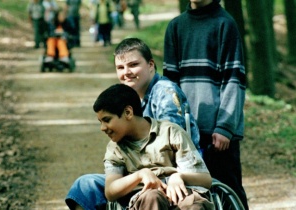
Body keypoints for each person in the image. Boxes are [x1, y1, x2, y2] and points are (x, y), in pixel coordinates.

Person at [65, 38, 201, 210]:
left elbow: (171, 148)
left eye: (133, 65)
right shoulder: (131, 95)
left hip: (170, 172)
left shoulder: (164, 93)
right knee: (85, 186)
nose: (126, 72)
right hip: (139, 172)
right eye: (120, 68)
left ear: (151, 65)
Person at [162, 0, 249, 209]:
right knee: (192, 196)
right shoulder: (176, 26)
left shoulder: (225, 24)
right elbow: (170, 85)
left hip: (218, 132)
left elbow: (234, 79)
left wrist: (225, 126)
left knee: (229, 191)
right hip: (185, 131)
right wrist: (171, 128)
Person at [94, 83, 214, 209]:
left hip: (181, 191)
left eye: (107, 120)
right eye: (100, 122)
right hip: (147, 199)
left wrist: (179, 176)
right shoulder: (115, 148)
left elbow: (205, 179)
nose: (102, 128)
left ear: (128, 112)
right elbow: (110, 192)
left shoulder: (171, 132)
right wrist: (139, 175)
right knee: (152, 198)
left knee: (193, 204)